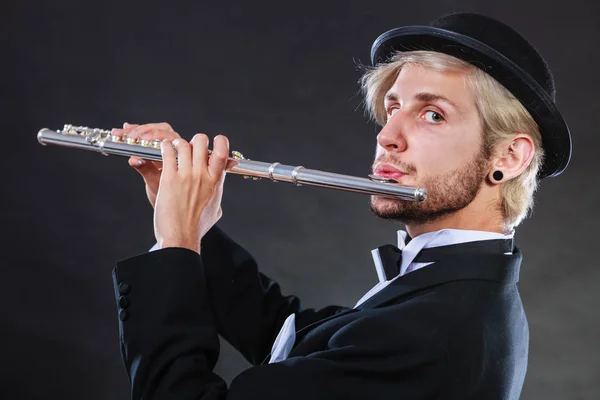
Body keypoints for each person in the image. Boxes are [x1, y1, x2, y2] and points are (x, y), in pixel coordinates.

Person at [110, 12, 571, 399]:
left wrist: (177, 243)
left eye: (433, 114)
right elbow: (293, 341)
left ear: (509, 157)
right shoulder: (449, 285)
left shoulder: (435, 330)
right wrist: (201, 224)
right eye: (393, 108)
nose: (387, 136)